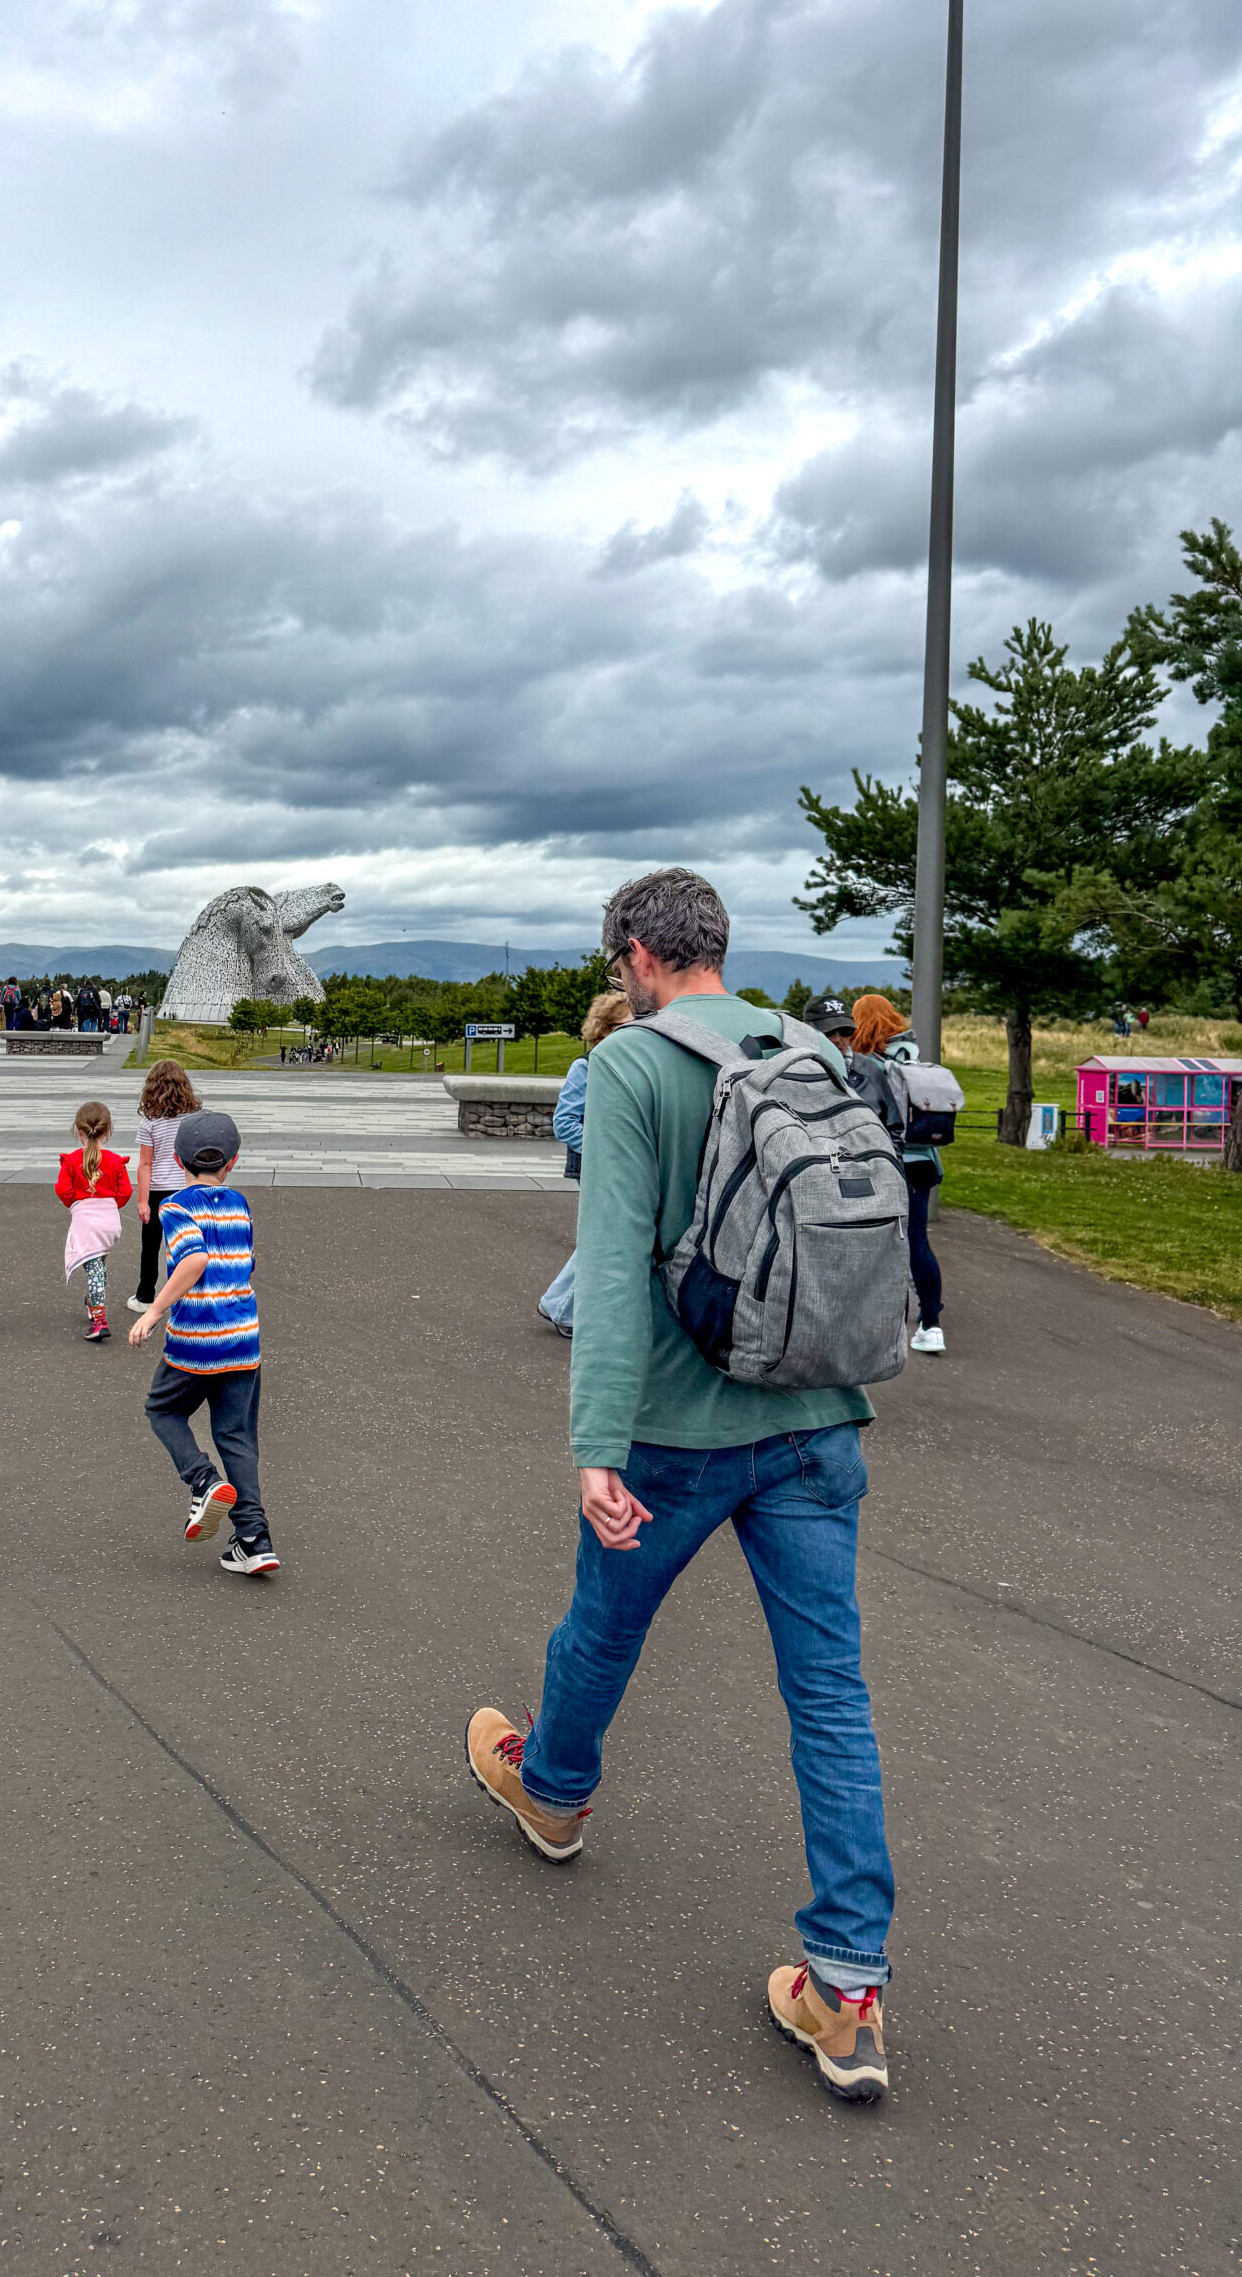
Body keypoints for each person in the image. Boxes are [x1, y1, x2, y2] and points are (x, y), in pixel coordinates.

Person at [465, 867, 896, 2104]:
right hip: (817, 1418)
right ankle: (847, 1989)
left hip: (679, 1426)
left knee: (604, 1625)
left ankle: (552, 1793)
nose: (620, 981)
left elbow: (609, 1269)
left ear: (643, 955)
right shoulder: (806, 1042)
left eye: (617, 964)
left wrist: (596, 1439)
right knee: (830, 1692)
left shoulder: (633, 1069)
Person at [127, 1108, 276, 1576]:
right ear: (232, 1161)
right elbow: (245, 1264)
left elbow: (192, 1259)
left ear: (175, 1158)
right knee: (236, 1436)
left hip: (195, 1340)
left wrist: (154, 1311)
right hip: (242, 1340)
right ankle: (254, 1539)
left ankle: (202, 1480)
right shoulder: (239, 1203)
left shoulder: (175, 1206)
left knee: (162, 1409)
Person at [853, 992, 946, 1357]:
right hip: (924, 1162)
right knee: (918, 1240)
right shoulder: (912, 1056)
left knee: (879, 1240)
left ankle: (879, 1320)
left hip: (890, 1160)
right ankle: (931, 1323)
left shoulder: (867, 1065)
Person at [538, 990, 634, 1337]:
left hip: (620, 1165)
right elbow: (564, 1122)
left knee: (607, 1237)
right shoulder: (587, 1066)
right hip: (596, 1166)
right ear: (604, 1030)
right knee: (605, 1238)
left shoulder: (627, 1066)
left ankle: (560, 1304)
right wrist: (605, 1149)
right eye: (626, 1026)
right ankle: (563, 1308)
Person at [127, 1061, 201, 1313]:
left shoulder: (150, 1124)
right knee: (184, 1244)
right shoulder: (194, 1121)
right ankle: (184, 1293)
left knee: (150, 1247)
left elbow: (145, 1165)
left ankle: (145, 1296)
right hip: (187, 1189)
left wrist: (142, 1201)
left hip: (158, 1191)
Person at [56, 1099, 132, 1343]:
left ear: (79, 1132)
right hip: (109, 1221)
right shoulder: (114, 1161)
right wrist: (112, 1205)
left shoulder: (72, 1161)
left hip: (86, 1222)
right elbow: (126, 1191)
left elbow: (63, 1190)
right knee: (98, 1264)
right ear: (107, 1132)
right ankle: (92, 1300)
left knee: (94, 1268)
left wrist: (75, 1203)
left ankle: (100, 1320)